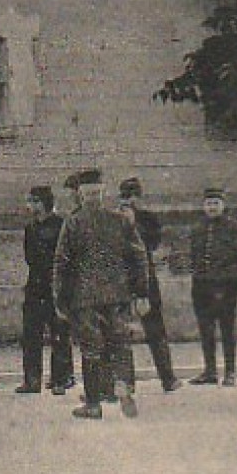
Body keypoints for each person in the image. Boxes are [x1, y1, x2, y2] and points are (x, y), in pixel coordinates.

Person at [53, 170, 150, 420]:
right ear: (102, 193)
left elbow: (61, 262)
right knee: (119, 342)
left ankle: (94, 404)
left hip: (84, 297)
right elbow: (139, 256)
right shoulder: (119, 219)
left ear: (81, 195)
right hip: (117, 294)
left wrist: (59, 298)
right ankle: (122, 385)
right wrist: (141, 292)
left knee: (91, 349)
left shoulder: (74, 222)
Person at [184, 187, 237, 386]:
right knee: (205, 329)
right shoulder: (198, 228)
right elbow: (193, 255)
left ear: (223, 205)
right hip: (201, 285)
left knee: (227, 329)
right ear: (203, 206)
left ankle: (230, 372)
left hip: (225, 287)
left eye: (216, 203)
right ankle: (210, 371)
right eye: (208, 203)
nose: (212, 207)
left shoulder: (232, 228)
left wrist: (233, 279)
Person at [119, 177, 180, 392]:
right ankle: (126, 382)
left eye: (133, 196)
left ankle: (168, 378)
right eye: (125, 197)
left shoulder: (149, 220)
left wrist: (134, 224)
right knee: (122, 333)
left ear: (140, 197)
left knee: (155, 331)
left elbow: (151, 244)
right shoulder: (115, 220)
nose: (129, 201)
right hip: (123, 282)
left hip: (146, 282)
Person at [18, 186, 73, 395]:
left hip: (56, 288)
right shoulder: (30, 228)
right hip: (34, 288)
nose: (30, 206)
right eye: (29, 201)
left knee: (59, 335)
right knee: (31, 335)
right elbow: (29, 258)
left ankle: (60, 380)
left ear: (44, 203)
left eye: (34, 201)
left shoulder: (61, 225)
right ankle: (32, 381)